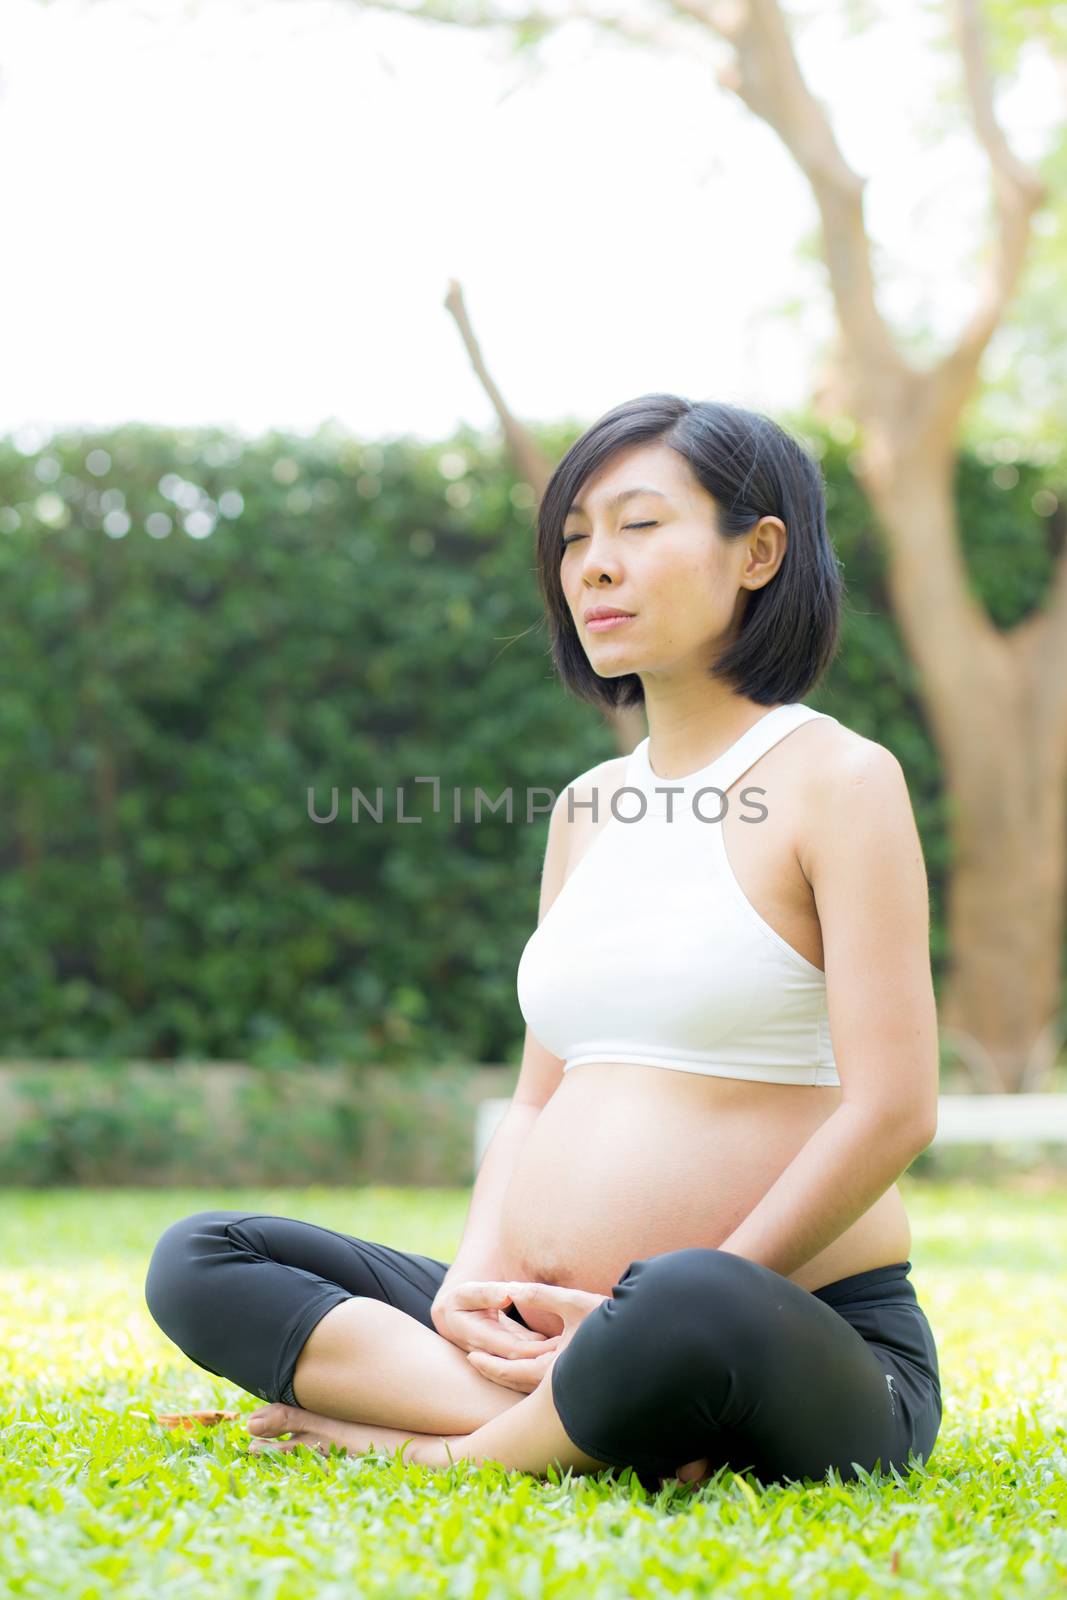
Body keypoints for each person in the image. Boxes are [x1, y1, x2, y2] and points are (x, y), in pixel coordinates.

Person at [144, 393, 943, 1490]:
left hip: (779, 1326)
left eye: (637, 525)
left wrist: (637, 1314)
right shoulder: (585, 807)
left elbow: (893, 1108)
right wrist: (464, 1294)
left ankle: (447, 1445)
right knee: (204, 1257)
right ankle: (590, 1417)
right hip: (552, 1320)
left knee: (682, 1295)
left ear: (758, 552)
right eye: (573, 539)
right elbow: (535, 1100)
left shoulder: (837, 780)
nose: (592, 567)